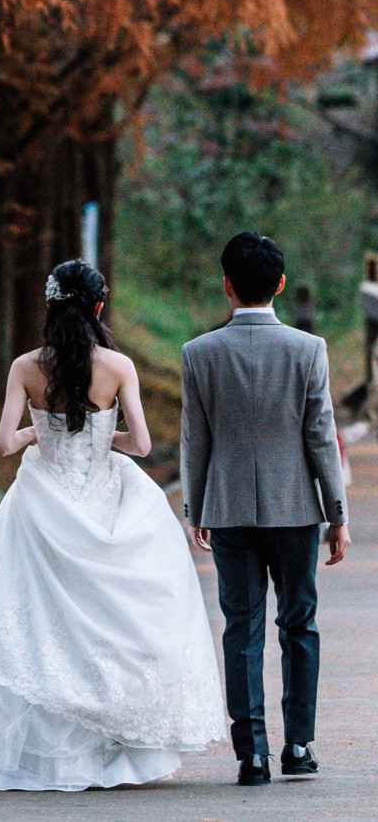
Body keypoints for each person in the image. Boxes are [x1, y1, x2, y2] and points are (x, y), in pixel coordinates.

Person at [0, 259, 225, 791]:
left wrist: (40, 433)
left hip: (42, 502)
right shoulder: (119, 366)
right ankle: (108, 744)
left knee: (34, 622)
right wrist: (99, 438)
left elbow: (5, 444)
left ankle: (36, 750)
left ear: (51, 307)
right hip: (105, 498)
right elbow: (143, 446)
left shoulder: (25, 367)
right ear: (99, 307)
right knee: (110, 617)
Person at [181, 231, 349, 788]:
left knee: (241, 628)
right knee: (298, 622)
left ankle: (251, 754)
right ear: (280, 283)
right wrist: (338, 514)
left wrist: (196, 505)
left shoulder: (199, 353)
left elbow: (194, 438)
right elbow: (320, 436)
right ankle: (298, 744)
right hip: (297, 509)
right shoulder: (308, 350)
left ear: (226, 285)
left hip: (227, 508)